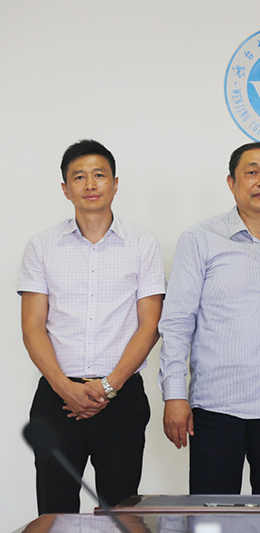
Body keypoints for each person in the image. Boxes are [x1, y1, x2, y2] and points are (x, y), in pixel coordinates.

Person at [158, 141, 260, 495]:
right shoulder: (201, 240)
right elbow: (176, 324)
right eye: (252, 172)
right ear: (232, 183)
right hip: (217, 410)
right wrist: (174, 395)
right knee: (212, 517)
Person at [19, 139, 165, 513]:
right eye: (79, 177)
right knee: (55, 512)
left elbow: (150, 326)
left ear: (115, 184)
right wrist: (64, 387)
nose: (90, 184)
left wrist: (109, 386)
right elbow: (33, 326)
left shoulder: (143, 245)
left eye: (99, 175)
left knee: (120, 513)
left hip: (121, 398)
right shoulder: (42, 246)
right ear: (65, 189)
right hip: (57, 398)